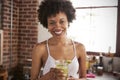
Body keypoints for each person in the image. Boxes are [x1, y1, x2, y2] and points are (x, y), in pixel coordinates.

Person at [31, 0, 86, 80]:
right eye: (52, 23)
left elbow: (84, 77)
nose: (57, 27)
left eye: (62, 21)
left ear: (68, 22)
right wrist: (48, 76)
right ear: (47, 24)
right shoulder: (40, 49)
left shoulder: (80, 48)